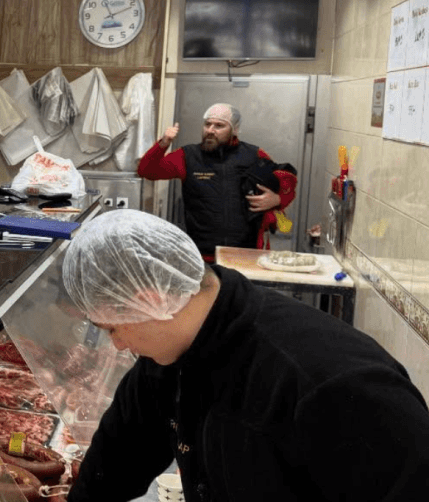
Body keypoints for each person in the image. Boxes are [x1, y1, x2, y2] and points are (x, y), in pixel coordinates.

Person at [62, 209, 429, 502]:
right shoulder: (167, 362)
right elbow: (117, 459)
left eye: (112, 328)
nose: (117, 346)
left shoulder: (330, 383)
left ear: (150, 299)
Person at [136, 103, 297, 260]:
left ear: (234, 130)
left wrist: (277, 200)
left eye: (219, 126)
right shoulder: (188, 156)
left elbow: (285, 182)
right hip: (201, 254)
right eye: (207, 124)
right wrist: (163, 143)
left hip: (246, 254)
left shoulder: (253, 155)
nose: (210, 131)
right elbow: (147, 171)